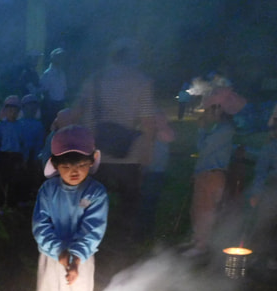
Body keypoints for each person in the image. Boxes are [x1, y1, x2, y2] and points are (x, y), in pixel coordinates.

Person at [16, 125, 109, 291]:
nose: (73, 171)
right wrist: (59, 252)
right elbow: (41, 225)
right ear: (56, 165)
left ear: (91, 161)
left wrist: (75, 257)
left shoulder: (96, 193)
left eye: (80, 164)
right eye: (66, 166)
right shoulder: (48, 190)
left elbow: (92, 229)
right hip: (51, 255)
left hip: (81, 259)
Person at [75, 38, 156, 238]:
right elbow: (147, 122)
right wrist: (147, 152)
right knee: (129, 201)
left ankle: (87, 237)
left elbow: (79, 113)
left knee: (91, 198)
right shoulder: (141, 82)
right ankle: (123, 242)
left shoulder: (94, 80)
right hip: (129, 154)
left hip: (96, 151)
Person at [183, 86, 246, 257]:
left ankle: (202, 246)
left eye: (210, 108)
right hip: (206, 174)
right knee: (198, 209)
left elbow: (204, 149)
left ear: (219, 109)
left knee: (205, 210)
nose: (206, 113)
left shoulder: (224, 130)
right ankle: (198, 240)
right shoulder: (220, 129)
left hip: (212, 175)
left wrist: (201, 129)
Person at [138, 109, 175, 241]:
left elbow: (169, 137)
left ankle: (145, 231)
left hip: (157, 172)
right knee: (143, 200)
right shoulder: (147, 133)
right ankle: (142, 229)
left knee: (150, 201)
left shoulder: (164, 133)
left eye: (159, 120)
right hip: (146, 170)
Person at [248, 122, 277, 270]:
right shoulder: (270, 147)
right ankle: (261, 257)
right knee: (265, 223)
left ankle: (270, 258)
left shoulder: (270, 147)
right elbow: (261, 171)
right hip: (272, 189)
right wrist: (257, 192)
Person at [0, 95, 26, 215]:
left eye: (15, 110)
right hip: (4, 155)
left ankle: (11, 204)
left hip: (16, 156)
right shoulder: (0, 126)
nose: (12, 112)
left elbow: (23, 143)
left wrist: (23, 158)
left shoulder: (21, 126)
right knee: (1, 181)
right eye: (9, 109)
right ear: (5, 111)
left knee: (14, 181)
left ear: (18, 112)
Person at [18, 94, 47, 205]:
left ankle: (30, 195)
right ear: (24, 108)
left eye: (34, 106)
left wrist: (37, 157)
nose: (32, 109)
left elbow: (40, 142)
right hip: (20, 155)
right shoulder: (19, 123)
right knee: (20, 176)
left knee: (31, 175)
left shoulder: (38, 125)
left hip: (33, 156)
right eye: (29, 106)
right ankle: (20, 197)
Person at [39, 48, 68, 130]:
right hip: (51, 107)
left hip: (60, 105)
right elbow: (45, 92)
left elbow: (64, 90)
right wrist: (50, 107)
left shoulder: (62, 73)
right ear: (52, 58)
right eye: (58, 57)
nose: (60, 59)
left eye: (62, 57)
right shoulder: (47, 74)